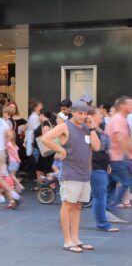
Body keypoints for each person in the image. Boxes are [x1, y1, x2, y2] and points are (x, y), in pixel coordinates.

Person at [41, 101, 101, 253]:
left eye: (85, 113)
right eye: (80, 113)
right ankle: (67, 241)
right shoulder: (64, 126)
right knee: (68, 205)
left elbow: (97, 147)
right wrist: (61, 150)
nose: (82, 116)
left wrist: (92, 127)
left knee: (78, 206)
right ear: (73, 112)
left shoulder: (87, 128)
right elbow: (45, 139)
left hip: (84, 173)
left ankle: (75, 238)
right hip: (70, 172)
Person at [89, 108, 119, 232]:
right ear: (91, 116)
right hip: (94, 166)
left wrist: (107, 163)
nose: (101, 115)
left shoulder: (100, 128)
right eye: (99, 113)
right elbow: (91, 149)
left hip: (101, 165)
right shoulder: (89, 129)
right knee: (99, 195)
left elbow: (104, 148)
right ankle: (103, 224)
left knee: (98, 195)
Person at [105, 96, 132, 208]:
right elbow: (121, 138)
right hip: (116, 158)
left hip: (115, 158)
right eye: (129, 104)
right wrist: (130, 153)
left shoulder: (120, 119)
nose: (131, 106)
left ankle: (106, 208)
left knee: (111, 185)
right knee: (126, 182)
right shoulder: (118, 119)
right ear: (122, 106)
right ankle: (111, 206)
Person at [34, 109, 54, 185]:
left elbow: (47, 137)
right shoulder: (49, 123)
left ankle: (46, 188)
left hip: (45, 150)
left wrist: (45, 148)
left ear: (42, 115)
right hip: (46, 150)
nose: (38, 116)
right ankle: (43, 188)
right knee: (42, 169)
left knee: (45, 170)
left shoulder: (45, 124)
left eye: (39, 115)